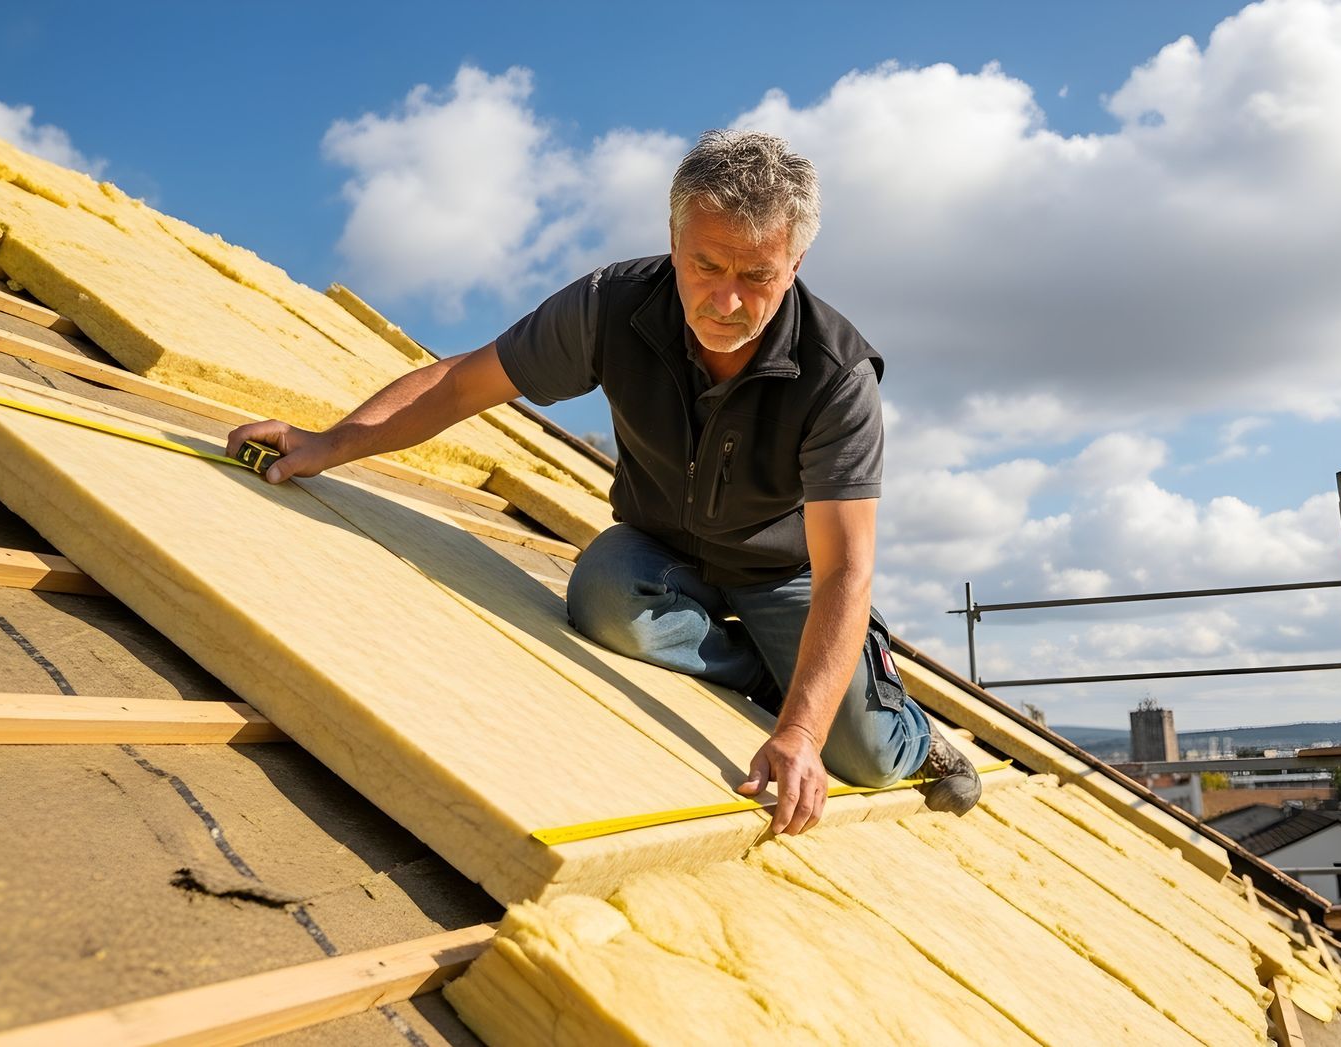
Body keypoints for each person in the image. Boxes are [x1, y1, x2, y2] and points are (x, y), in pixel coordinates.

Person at [228, 130, 980, 836]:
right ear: (674, 242)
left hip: (786, 574)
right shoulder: (610, 307)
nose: (726, 301)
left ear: (795, 265)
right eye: (705, 267)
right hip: (660, 553)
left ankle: (909, 729)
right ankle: (765, 670)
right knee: (601, 597)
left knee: (867, 756)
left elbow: (846, 567)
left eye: (756, 277)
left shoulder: (835, 373)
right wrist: (327, 443)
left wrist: (803, 731)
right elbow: (464, 383)